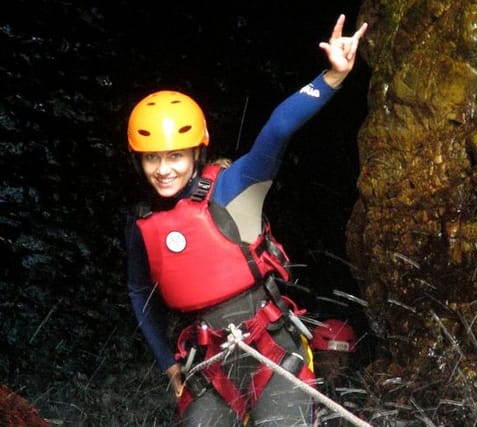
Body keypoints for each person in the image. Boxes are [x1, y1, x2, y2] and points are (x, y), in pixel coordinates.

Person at [124, 14, 367, 427]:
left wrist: (331, 77)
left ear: (196, 153)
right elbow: (138, 291)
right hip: (209, 366)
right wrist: (169, 366)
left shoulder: (236, 185)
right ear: (139, 160)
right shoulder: (141, 225)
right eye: (152, 158)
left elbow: (276, 129)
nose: (163, 169)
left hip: (271, 351)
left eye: (175, 156)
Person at [310, 319, 358, 426]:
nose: (338, 363)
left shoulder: (352, 389)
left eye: (343, 356)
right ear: (317, 357)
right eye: (331, 356)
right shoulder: (307, 383)